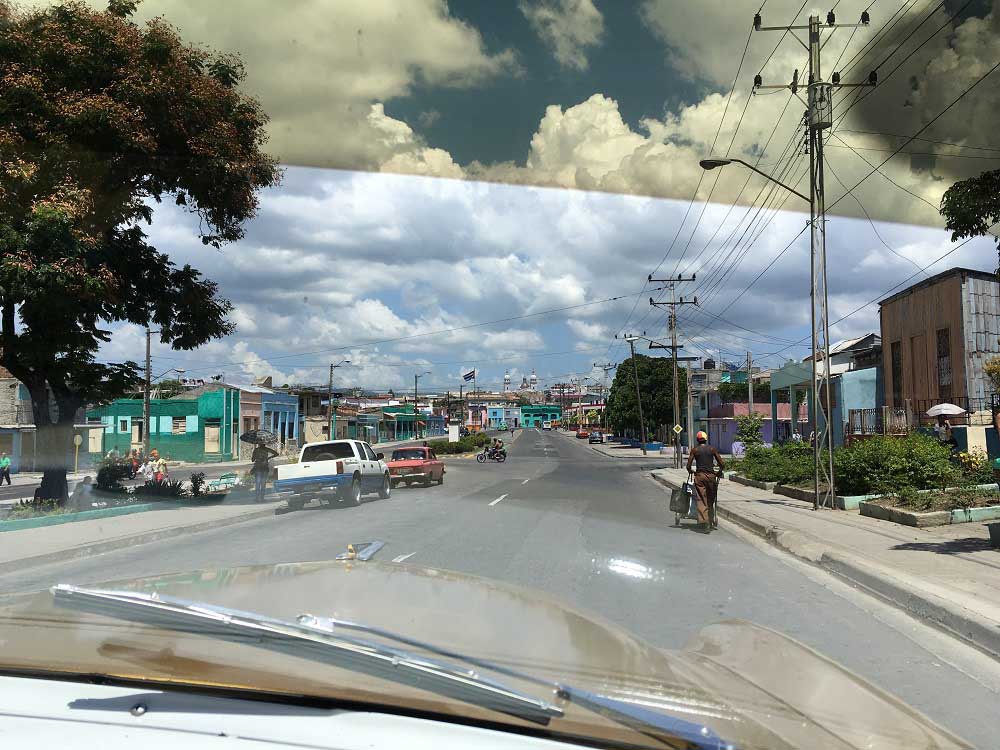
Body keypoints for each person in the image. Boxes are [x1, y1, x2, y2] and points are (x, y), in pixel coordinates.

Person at [686, 431, 725, 534]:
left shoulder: (695, 450)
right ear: (706, 439)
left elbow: (688, 465)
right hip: (711, 477)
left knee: (702, 499)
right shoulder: (712, 449)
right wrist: (718, 473)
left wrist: (691, 471)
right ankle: (711, 520)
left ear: (697, 440)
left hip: (700, 477)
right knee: (711, 499)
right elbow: (722, 464)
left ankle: (705, 522)